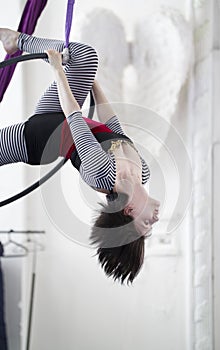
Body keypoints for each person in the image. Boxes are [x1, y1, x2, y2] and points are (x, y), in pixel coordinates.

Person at [0, 28, 160, 285]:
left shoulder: (103, 175)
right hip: (57, 112)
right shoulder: (143, 170)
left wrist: (58, 70)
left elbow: (76, 119)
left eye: (146, 226)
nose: (155, 220)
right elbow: (112, 124)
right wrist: (93, 80)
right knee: (85, 57)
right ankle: (15, 41)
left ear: (129, 210)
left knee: (73, 60)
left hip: (36, 140)